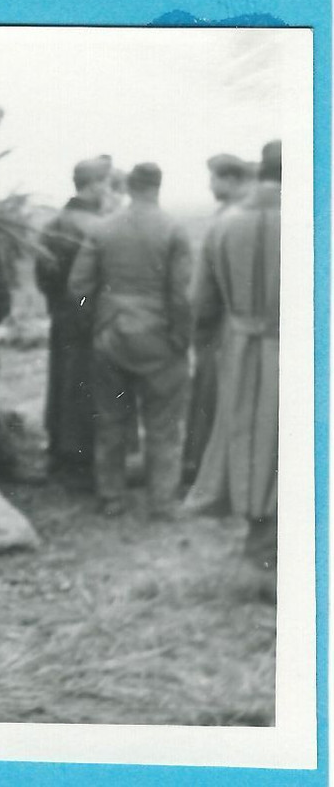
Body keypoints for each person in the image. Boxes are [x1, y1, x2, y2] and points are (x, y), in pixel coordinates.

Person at [68, 163, 193, 519]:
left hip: (110, 335)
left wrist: (95, 324)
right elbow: (181, 295)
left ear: (129, 187)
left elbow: (78, 287)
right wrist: (181, 338)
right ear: (158, 186)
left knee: (110, 420)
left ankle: (111, 497)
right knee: (163, 425)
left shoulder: (102, 227)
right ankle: (163, 502)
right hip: (159, 339)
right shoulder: (174, 228)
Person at [184, 142, 281, 596]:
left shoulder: (225, 225)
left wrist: (210, 346)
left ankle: (259, 550)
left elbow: (201, 304)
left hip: (242, 349)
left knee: (250, 439)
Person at [35, 156, 110, 483]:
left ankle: (58, 452)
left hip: (61, 315)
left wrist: (58, 303)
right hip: (90, 317)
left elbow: (42, 276)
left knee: (61, 382)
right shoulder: (97, 226)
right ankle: (82, 460)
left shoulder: (52, 224)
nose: (106, 189)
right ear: (93, 185)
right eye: (104, 183)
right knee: (87, 387)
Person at [182, 153, 256, 483]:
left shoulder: (228, 219)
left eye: (213, 178)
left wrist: (196, 326)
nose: (210, 185)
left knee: (212, 399)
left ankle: (206, 472)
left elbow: (203, 295)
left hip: (226, 327)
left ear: (231, 180)